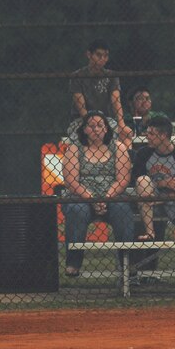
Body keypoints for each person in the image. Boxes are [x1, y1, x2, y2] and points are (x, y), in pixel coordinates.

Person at [62, 111, 135, 277]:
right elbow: (71, 182)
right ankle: (73, 262)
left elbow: (122, 179)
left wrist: (105, 199)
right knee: (77, 210)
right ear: (84, 129)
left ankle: (126, 262)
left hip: (112, 196)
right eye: (91, 125)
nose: (96, 129)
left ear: (107, 129)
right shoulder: (74, 149)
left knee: (123, 210)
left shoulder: (118, 147)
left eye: (100, 125)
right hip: (81, 197)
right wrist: (93, 199)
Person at [132, 116, 175, 273]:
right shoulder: (143, 154)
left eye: (151, 133)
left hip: (172, 202)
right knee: (144, 180)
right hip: (148, 203)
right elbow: (137, 181)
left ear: (163, 135)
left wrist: (158, 197)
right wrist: (163, 183)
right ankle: (150, 232)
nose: (146, 136)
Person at [67, 39, 133, 146]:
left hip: (106, 119)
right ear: (89, 55)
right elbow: (81, 106)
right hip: (81, 120)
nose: (102, 59)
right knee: (80, 139)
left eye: (105, 56)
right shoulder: (78, 76)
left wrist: (121, 124)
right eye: (99, 55)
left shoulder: (111, 75)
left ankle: (125, 162)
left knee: (125, 136)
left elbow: (116, 101)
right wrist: (92, 124)